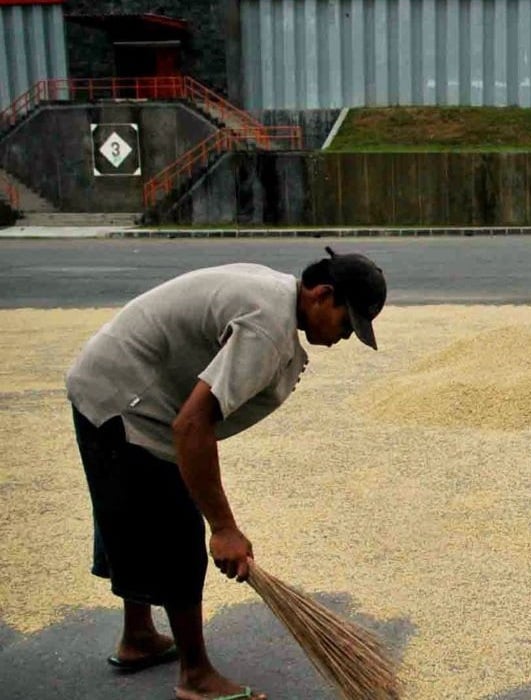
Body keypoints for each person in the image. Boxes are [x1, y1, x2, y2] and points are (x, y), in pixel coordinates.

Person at [66, 247, 387, 700]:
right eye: (345, 324)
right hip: (123, 400)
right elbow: (192, 425)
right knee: (178, 531)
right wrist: (224, 527)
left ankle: (138, 636)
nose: (343, 338)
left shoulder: (276, 293)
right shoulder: (268, 330)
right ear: (321, 295)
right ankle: (195, 676)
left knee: (139, 512)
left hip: (117, 383)